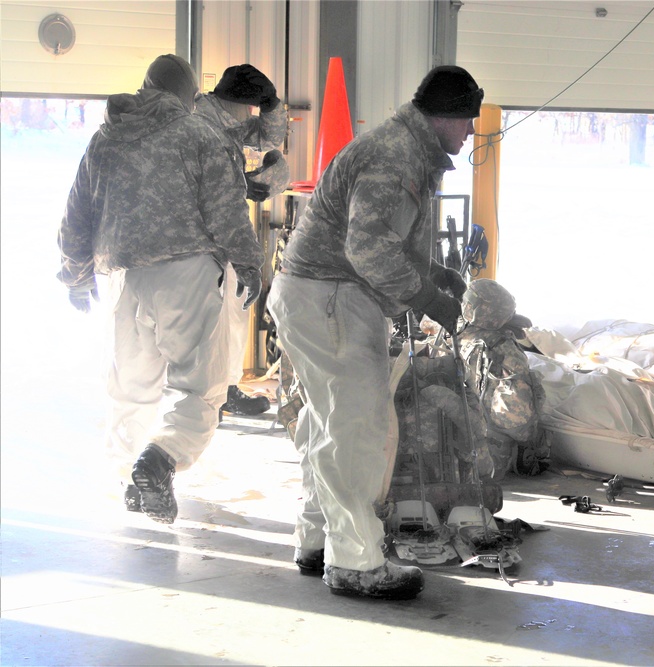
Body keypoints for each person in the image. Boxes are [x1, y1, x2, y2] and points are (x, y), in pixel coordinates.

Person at [266, 65, 482, 600]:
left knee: (329, 426)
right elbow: (367, 250)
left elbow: (378, 235)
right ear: (446, 116)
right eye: (468, 122)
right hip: (331, 296)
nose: (471, 133)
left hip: (318, 293)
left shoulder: (403, 147)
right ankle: (356, 562)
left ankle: (319, 542)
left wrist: (433, 273)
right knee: (358, 430)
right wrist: (430, 300)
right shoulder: (396, 156)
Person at [57, 54, 265, 524]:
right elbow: (226, 210)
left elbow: (77, 215)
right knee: (199, 386)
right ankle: (160, 458)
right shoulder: (199, 136)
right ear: (190, 96)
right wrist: (249, 264)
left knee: (130, 387)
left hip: (119, 277)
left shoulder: (105, 138)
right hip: (183, 272)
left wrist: (74, 274)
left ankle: (126, 479)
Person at [194, 63, 292, 416]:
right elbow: (210, 190)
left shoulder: (226, 122)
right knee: (212, 325)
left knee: (232, 317)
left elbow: (268, 138)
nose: (251, 115)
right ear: (237, 103)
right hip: (205, 242)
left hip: (222, 240)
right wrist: (240, 183)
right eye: (251, 107)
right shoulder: (202, 124)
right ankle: (210, 399)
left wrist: (272, 104)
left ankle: (226, 389)